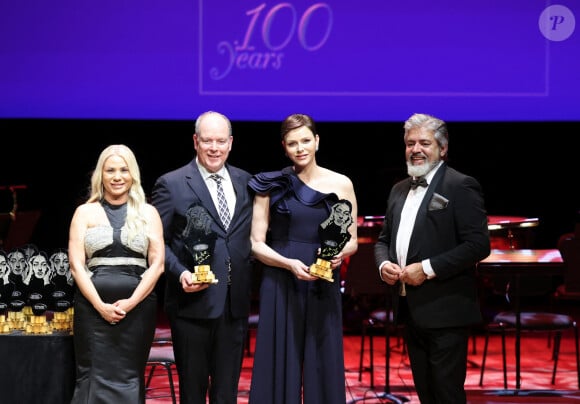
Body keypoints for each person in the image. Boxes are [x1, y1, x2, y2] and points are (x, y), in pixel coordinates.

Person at [375, 113, 490, 404]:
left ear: (443, 148)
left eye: (424, 142)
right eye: (410, 143)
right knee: (427, 394)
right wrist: (383, 264)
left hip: (446, 311)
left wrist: (427, 269)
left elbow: (478, 245)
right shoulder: (398, 189)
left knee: (447, 395)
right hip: (410, 309)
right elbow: (383, 240)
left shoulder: (460, 185)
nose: (416, 149)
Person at [248, 113, 358, 403]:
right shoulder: (271, 184)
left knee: (322, 358)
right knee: (277, 358)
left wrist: (338, 255)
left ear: (317, 141)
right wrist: (288, 264)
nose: (301, 148)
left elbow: (353, 240)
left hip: (323, 280)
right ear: (284, 147)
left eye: (306, 140)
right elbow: (256, 244)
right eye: (293, 143)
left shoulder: (341, 183)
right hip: (280, 280)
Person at [151, 110, 254, 404]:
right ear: (195, 141)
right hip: (191, 306)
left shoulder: (246, 182)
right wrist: (182, 273)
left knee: (227, 393)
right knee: (193, 393)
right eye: (207, 140)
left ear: (231, 143)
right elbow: (156, 243)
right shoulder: (171, 184)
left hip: (234, 305)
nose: (214, 148)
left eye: (220, 141)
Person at [68, 144, 165, 403]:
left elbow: (158, 265)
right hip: (91, 311)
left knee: (128, 375)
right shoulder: (84, 212)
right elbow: (77, 266)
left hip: (137, 312)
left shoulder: (149, 212)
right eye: (110, 170)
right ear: (101, 174)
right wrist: (100, 306)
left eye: (123, 169)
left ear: (133, 174)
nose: (117, 176)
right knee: (92, 376)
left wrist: (131, 303)